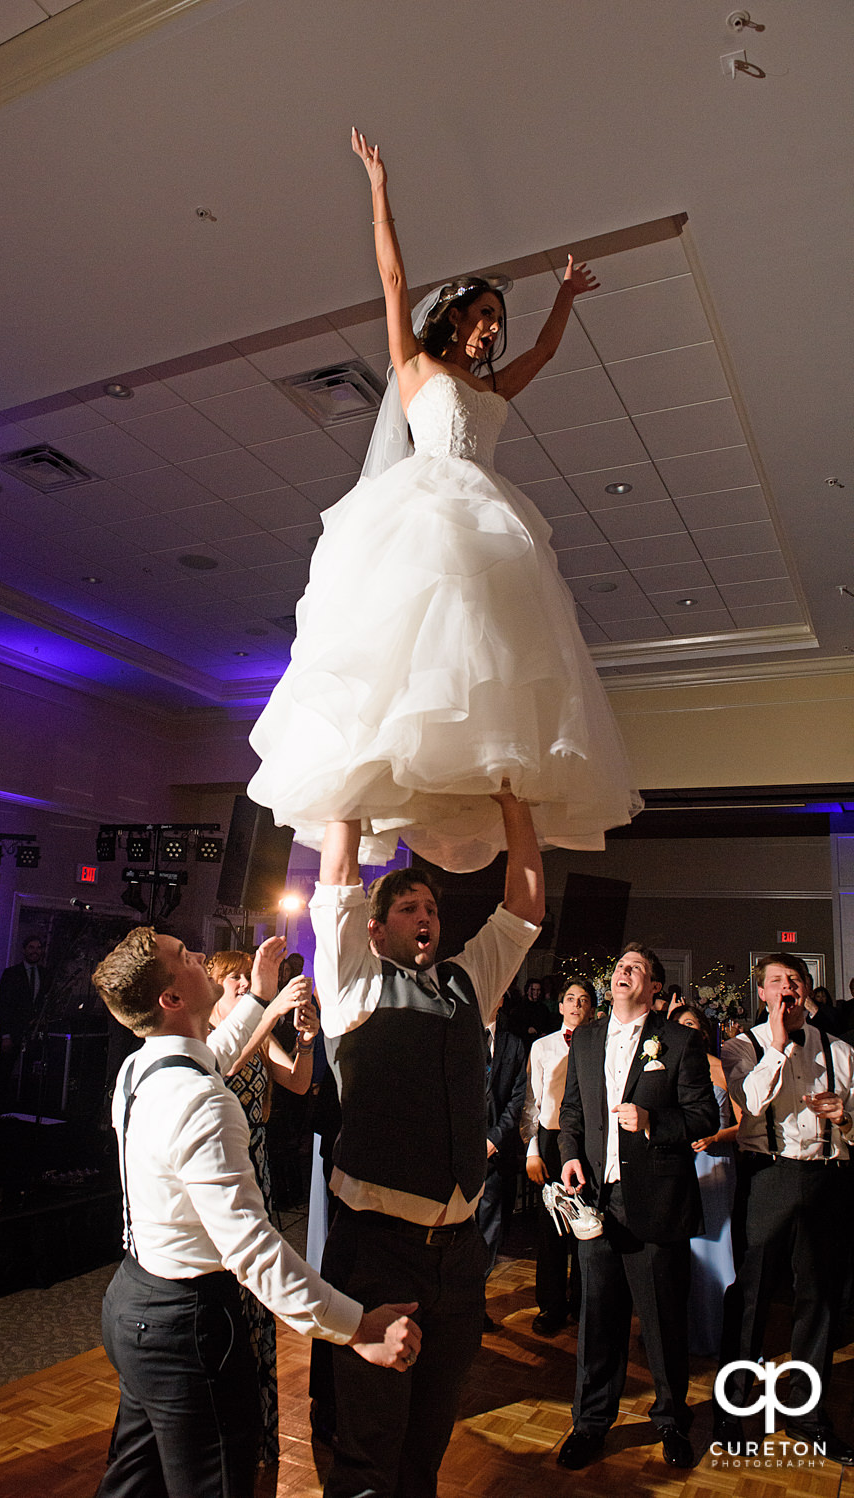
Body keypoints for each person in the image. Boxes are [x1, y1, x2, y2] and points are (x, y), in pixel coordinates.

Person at [246, 131, 641, 875]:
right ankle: (374, 778)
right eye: (484, 312)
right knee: (410, 637)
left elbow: (544, 356)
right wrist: (377, 189)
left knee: (486, 649)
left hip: (486, 511)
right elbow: (393, 282)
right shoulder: (416, 365)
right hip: (426, 503)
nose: (493, 325)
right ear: (455, 317)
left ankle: (485, 777)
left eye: (498, 316)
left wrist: (563, 297)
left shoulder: (490, 388)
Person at [90, 926, 420, 1498]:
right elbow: (253, 1250)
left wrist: (258, 998)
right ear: (172, 998)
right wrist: (355, 1327)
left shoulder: (141, 1068)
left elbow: (208, 1057)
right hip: (186, 1325)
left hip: (130, 1303)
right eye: (186, 957)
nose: (199, 956)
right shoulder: (202, 1102)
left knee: (133, 1484)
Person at [313, 790, 544, 1498]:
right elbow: (336, 889)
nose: (426, 919)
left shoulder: (465, 983)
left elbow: (525, 908)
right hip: (378, 1251)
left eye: (433, 910)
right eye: (410, 909)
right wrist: (348, 789)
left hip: (460, 1256)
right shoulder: (354, 982)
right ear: (377, 930)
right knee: (369, 1450)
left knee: (427, 1445)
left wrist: (514, 798)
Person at [557, 943, 719, 1471]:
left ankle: (672, 1419)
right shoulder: (585, 1038)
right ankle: (590, 1423)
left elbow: (702, 1118)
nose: (624, 972)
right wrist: (569, 1158)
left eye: (637, 969)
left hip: (653, 1200)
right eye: (620, 965)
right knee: (597, 1319)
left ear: (654, 988)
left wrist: (653, 1125)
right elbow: (572, 1110)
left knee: (662, 1322)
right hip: (595, 1201)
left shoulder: (679, 1041)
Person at [716, 954, 854, 1465]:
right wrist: (776, 1044)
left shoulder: (840, 1050)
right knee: (751, 1296)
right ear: (763, 995)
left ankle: (808, 1414)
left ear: (808, 990)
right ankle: (733, 1409)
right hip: (767, 1175)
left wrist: (846, 1118)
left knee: (818, 1300)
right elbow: (750, 1101)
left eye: (794, 981)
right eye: (776, 982)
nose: (786, 989)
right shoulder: (740, 1046)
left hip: (826, 1178)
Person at [206, 947, 320, 1468]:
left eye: (244, 979)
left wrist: (304, 1038)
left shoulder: (260, 1030)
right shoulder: (204, 1041)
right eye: (233, 979)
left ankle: (259, 1432)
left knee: (257, 1298)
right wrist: (267, 1011)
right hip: (221, 1175)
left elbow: (296, 1081)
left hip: (258, 1171)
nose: (240, 985)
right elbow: (221, 1068)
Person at [522, 979, 595, 1336]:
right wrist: (532, 1151)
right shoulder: (542, 1047)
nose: (577, 1005)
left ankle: (584, 1303)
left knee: (588, 1223)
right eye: (570, 999)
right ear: (561, 1006)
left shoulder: (602, 1046)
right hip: (550, 1138)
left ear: (592, 1009)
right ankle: (551, 1305)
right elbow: (530, 1104)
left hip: (588, 1139)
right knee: (551, 1228)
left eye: (584, 1000)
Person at [674, 1002, 739, 1358]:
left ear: (703, 1031)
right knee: (684, 1254)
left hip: (715, 1164)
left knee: (716, 1251)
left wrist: (715, 1138)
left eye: (692, 1024)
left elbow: (745, 1125)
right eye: (680, 1024)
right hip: (682, 1166)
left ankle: (718, 1336)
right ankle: (682, 1332)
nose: (687, 1030)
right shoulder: (672, 1069)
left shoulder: (722, 1068)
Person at [476, 991, 528, 1328]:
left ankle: (475, 1305)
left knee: (489, 1234)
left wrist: (494, 1140)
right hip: (458, 1155)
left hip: (496, 1155)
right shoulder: (459, 1034)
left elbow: (517, 1098)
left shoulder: (514, 1045)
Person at [0, 934, 48, 1101]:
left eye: (38, 948)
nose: (35, 951)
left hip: (34, 1033)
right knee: (5, 1071)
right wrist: (6, 1035)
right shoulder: (11, 974)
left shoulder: (45, 974)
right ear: (24, 950)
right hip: (14, 1031)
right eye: (31, 948)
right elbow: (4, 1005)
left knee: (31, 1072)